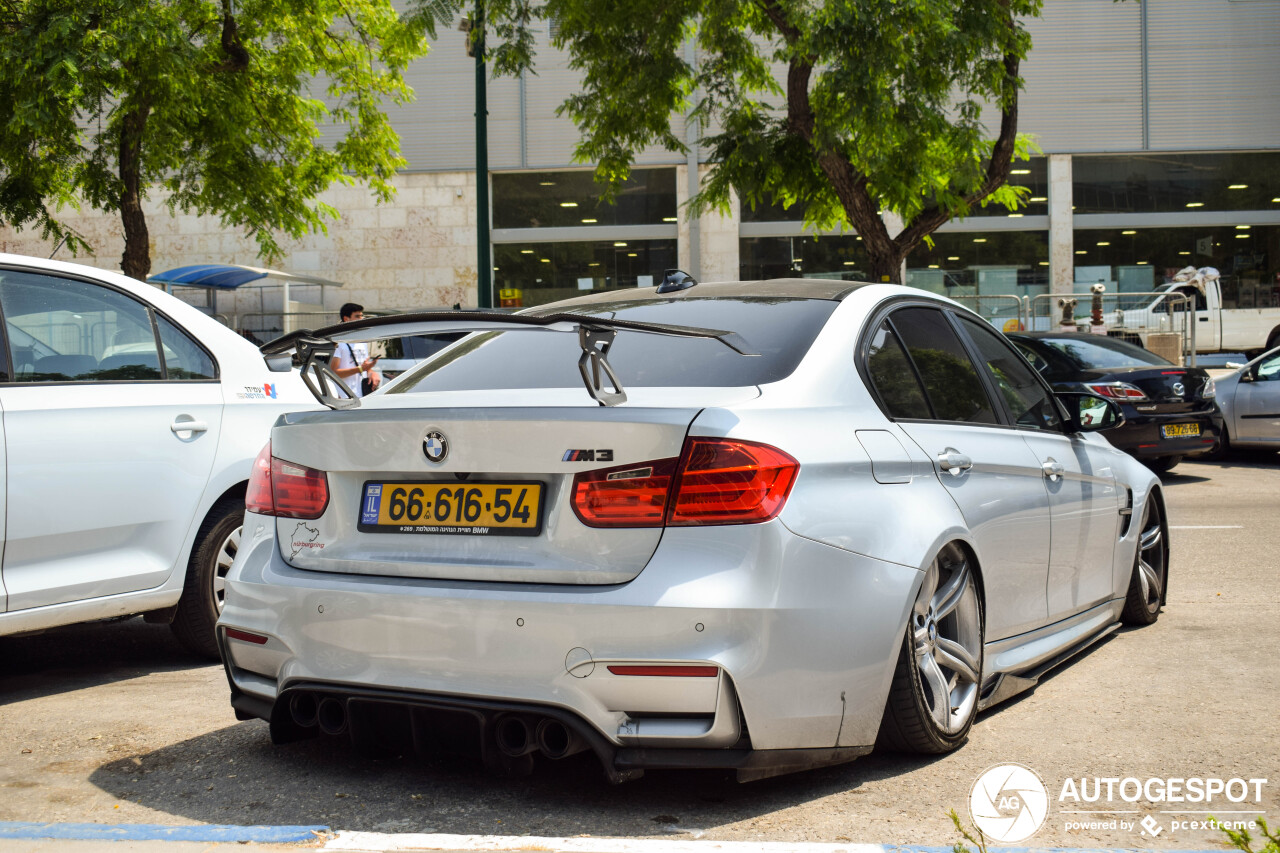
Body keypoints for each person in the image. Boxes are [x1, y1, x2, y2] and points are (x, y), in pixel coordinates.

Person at [329, 302, 381, 397]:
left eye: (361, 316)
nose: (361, 319)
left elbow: (365, 369)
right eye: (357, 316)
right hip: (345, 397)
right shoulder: (338, 342)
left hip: (362, 396)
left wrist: (372, 373)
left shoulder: (361, 342)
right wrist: (360, 369)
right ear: (346, 319)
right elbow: (334, 373)